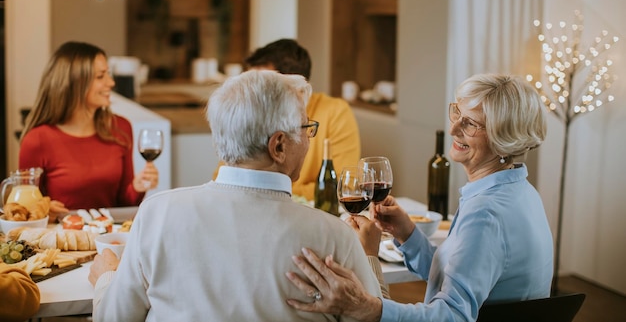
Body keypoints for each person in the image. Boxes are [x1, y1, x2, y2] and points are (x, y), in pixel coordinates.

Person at [88, 69, 382, 321]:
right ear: (278, 146)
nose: (308, 139)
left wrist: (107, 278)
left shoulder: (157, 214)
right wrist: (369, 256)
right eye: (306, 128)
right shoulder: (335, 238)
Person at [286, 73, 554, 322]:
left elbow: (453, 315)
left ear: (503, 138)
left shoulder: (486, 212)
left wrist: (364, 306)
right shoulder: (521, 192)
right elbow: (456, 278)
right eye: (457, 113)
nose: (453, 129)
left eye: (470, 124)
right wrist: (408, 234)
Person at [19, 41, 158, 222]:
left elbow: (123, 203)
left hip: (109, 236)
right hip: (63, 240)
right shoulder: (37, 140)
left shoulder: (120, 128)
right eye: (101, 76)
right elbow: (24, 211)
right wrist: (45, 210)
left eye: (108, 74)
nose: (111, 82)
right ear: (75, 83)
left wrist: (137, 187)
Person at [236, 38, 361, 201]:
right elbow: (227, 176)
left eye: (263, 85)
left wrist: (269, 188)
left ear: (295, 85)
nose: (254, 94)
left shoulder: (335, 113)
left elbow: (342, 185)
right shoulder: (250, 113)